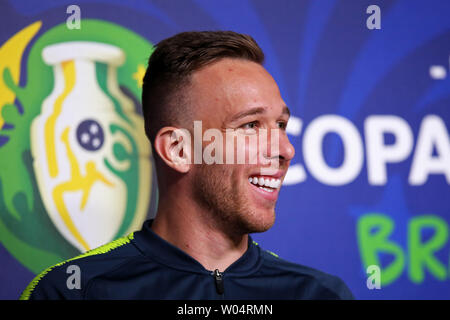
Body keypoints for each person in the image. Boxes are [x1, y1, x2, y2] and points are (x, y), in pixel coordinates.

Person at [20, 31, 354, 300]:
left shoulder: (319, 294)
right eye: (251, 125)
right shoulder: (69, 292)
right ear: (178, 149)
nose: (285, 149)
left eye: (280, 125)